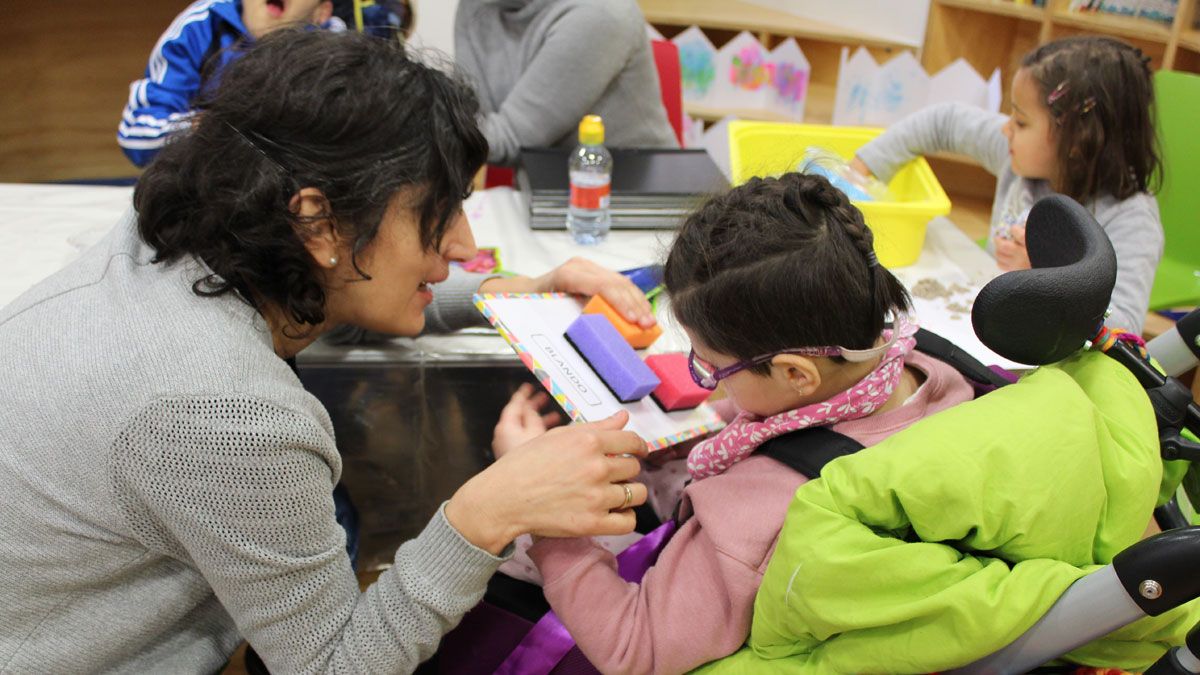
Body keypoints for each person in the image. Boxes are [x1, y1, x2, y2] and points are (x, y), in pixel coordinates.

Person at [0, 30, 653, 673]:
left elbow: (341, 290)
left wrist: (519, 288)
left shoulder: (173, 239)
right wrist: (486, 513)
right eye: (437, 211)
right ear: (317, 220)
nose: (460, 243)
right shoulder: (225, 411)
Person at [487, 173, 977, 673]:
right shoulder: (928, 366)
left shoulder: (755, 518)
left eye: (710, 366)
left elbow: (636, 648)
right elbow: (793, 416)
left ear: (794, 373)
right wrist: (704, 425)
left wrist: (544, 515)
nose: (705, 380)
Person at [851, 35, 1162, 334]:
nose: (1006, 130)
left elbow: (1125, 331)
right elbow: (943, 121)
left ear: (1077, 142)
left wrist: (1042, 277)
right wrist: (863, 169)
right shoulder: (1020, 156)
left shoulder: (1131, 221)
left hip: (1057, 365)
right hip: (991, 320)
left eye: (1022, 122)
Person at [117, 0, 345, 168]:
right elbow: (136, 138)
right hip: (207, 192)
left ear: (322, 12)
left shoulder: (338, 50)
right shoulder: (197, 28)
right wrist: (209, 126)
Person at [454, 0, 678, 166]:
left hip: (636, 199)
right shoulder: (475, 8)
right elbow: (469, 116)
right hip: (542, 190)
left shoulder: (601, 13)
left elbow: (508, 141)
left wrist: (426, 121)